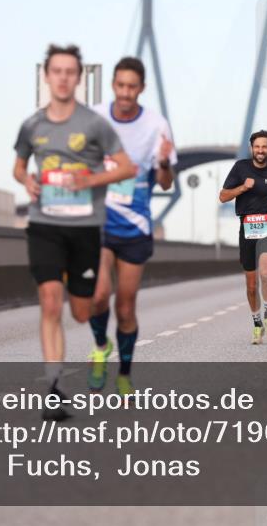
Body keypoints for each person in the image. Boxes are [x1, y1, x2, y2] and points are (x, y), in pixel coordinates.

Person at [13, 44, 136, 420]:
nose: (63, 77)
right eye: (57, 71)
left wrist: (91, 178)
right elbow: (18, 167)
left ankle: (98, 341)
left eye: (70, 72)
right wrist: (28, 181)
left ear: (78, 79)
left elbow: (127, 168)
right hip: (45, 224)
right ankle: (54, 387)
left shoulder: (95, 124)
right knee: (50, 301)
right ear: (47, 76)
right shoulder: (32, 125)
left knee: (83, 311)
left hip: (85, 228)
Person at [88, 56, 176, 395]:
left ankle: (124, 374)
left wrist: (165, 162)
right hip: (97, 223)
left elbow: (166, 183)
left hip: (135, 227)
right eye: (120, 85)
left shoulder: (157, 125)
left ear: (141, 89)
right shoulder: (93, 118)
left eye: (132, 87)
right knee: (97, 296)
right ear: (113, 85)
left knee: (125, 307)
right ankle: (99, 347)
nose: (125, 93)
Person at [219, 130, 267, 344]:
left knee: (266, 273)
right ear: (252, 148)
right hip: (247, 228)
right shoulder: (240, 168)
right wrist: (242, 187)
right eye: (257, 147)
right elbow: (223, 196)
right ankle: (257, 323)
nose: (261, 150)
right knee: (251, 285)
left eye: (264, 147)